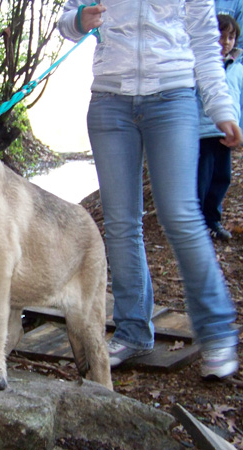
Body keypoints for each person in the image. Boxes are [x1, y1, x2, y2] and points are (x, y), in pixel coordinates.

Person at [59, 0, 240, 379]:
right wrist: (78, 19)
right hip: (110, 101)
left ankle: (218, 331)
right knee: (122, 223)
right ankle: (133, 331)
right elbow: (68, 20)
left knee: (180, 214)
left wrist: (221, 105)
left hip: (173, 97)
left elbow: (205, 42)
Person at [198, 14, 243, 242]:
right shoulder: (199, 66)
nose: (226, 42)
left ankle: (213, 220)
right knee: (201, 179)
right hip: (202, 133)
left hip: (226, 134)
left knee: (221, 178)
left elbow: (239, 100)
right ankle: (196, 223)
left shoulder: (238, 69)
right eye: (220, 36)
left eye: (231, 37)